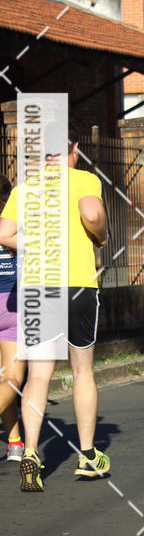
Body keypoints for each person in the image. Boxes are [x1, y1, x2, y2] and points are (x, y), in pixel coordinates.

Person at [0, 123, 109, 492]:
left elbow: (3, 233)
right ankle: (88, 455)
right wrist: (101, 235)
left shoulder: (23, 187)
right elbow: (92, 214)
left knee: (39, 376)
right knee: (82, 372)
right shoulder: (83, 180)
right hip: (77, 283)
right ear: (73, 147)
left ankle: (30, 452)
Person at [0, 175, 25, 462]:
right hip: (13, 303)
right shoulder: (16, 226)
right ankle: (16, 444)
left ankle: (15, 441)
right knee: (13, 378)